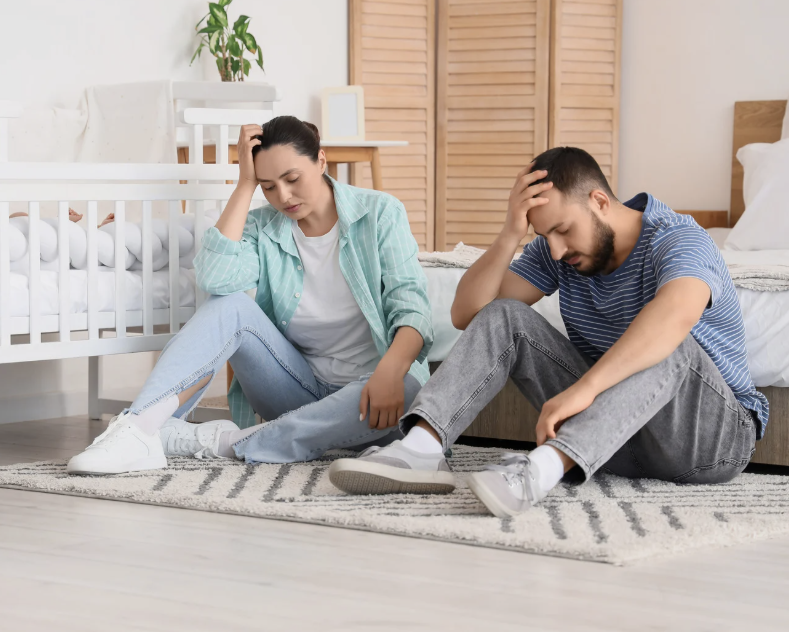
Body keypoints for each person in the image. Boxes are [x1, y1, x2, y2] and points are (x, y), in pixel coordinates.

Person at [329, 146, 768, 517]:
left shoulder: (678, 239)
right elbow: (470, 312)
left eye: (562, 229)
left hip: (710, 442)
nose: (556, 249)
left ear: (599, 201)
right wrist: (510, 234)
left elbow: (673, 317)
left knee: (672, 345)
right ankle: (421, 450)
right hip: (615, 438)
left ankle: (538, 472)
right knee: (505, 314)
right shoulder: (554, 251)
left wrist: (585, 389)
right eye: (545, 234)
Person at [66, 116, 433, 475]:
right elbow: (215, 278)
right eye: (268, 186)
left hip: (373, 396)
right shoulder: (263, 227)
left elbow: (413, 309)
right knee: (230, 305)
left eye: (292, 179)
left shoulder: (380, 213)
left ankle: (221, 442)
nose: (283, 196)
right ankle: (138, 429)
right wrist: (244, 184)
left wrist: (389, 372)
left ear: (321, 161)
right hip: (295, 391)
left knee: (407, 382)